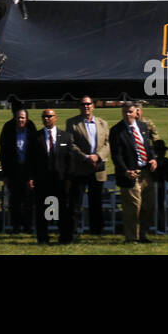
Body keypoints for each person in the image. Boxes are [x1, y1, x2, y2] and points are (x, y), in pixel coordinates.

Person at [111, 101, 158, 243]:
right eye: (125, 112)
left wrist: (153, 159)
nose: (127, 115)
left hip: (146, 173)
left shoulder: (143, 126)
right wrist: (125, 171)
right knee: (132, 208)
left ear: (136, 112)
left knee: (148, 206)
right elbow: (116, 155)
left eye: (130, 112)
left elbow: (148, 147)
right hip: (130, 173)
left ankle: (143, 234)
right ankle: (132, 238)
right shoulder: (116, 130)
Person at [65, 96, 109, 238]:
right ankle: (72, 231)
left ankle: (97, 231)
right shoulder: (72, 123)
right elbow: (70, 144)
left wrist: (97, 156)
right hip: (80, 168)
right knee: (75, 202)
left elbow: (108, 144)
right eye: (83, 104)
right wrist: (85, 157)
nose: (86, 106)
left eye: (89, 104)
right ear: (79, 106)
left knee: (96, 202)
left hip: (98, 169)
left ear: (93, 106)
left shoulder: (103, 123)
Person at [0, 109, 37, 234]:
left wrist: (32, 176)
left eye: (23, 118)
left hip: (27, 171)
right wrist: (5, 174)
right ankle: (15, 227)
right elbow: (3, 153)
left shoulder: (31, 132)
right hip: (13, 171)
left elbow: (36, 154)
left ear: (27, 119)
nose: (20, 120)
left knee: (28, 200)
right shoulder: (9, 131)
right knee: (14, 201)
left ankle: (27, 227)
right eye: (18, 118)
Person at [33, 107, 69, 244]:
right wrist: (31, 177)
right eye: (44, 117)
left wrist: (69, 178)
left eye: (49, 116)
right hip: (42, 180)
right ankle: (43, 238)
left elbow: (69, 159)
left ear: (55, 117)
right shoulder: (37, 137)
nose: (46, 119)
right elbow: (32, 160)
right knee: (43, 211)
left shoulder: (65, 136)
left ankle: (63, 237)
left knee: (61, 210)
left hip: (60, 181)